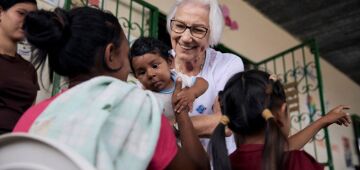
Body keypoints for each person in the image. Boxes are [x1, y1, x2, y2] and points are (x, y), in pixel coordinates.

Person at [13, 7, 210, 170]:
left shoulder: (31, 118)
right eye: (127, 59)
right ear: (111, 55)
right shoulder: (136, 110)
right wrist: (181, 111)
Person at [210, 70, 351, 170]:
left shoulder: (225, 164)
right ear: (281, 112)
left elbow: (273, 150)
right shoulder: (296, 162)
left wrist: (323, 120)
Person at [167, 0, 244, 152]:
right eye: (180, 26)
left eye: (198, 29)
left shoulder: (227, 64)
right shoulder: (157, 64)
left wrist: (164, 127)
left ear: (211, 34)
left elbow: (226, 122)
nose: (186, 37)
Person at [129, 37, 208, 122]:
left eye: (155, 66)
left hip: (191, 126)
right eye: (142, 72)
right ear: (136, 76)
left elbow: (203, 82)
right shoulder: (143, 93)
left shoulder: (178, 79)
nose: (150, 74)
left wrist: (192, 92)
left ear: (170, 62)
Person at [0, 0, 38, 135]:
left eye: (31, 17)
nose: (26, 21)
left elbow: (29, 114)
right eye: (21, 13)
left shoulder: (29, 69)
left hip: (17, 144)